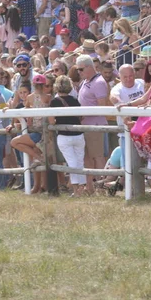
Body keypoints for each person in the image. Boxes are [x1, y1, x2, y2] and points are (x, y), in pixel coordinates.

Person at [76, 55, 109, 195]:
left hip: (95, 125)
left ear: (89, 67)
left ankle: (102, 188)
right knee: (87, 157)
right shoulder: (85, 81)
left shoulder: (99, 82)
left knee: (98, 157)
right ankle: (89, 187)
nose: (79, 72)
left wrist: (83, 114)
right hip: (86, 126)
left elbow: (102, 107)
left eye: (81, 69)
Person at [49, 75, 86, 196]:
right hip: (78, 135)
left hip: (64, 136)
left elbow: (51, 121)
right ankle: (81, 188)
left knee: (72, 162)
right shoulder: (75, 100)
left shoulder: (54, 102)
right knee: (79, 161)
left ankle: (76, 190)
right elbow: (81, 116)